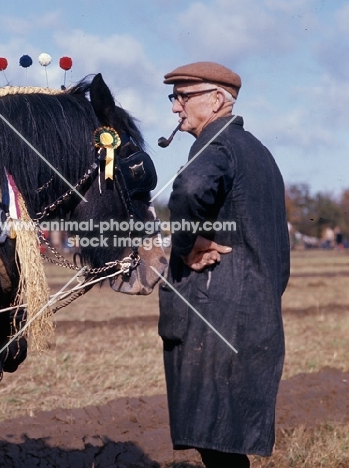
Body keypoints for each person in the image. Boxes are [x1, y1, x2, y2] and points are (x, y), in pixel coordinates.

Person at [158, 62, 290, 468]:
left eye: (184, 96)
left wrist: (184, 246)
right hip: (253, 311)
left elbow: (190, 190)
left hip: (218, 312)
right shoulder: (258, 151)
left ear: (217, 100)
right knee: (225, 442)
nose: (175, 108)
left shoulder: (217, 147)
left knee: (217, 441)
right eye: (173, 97)